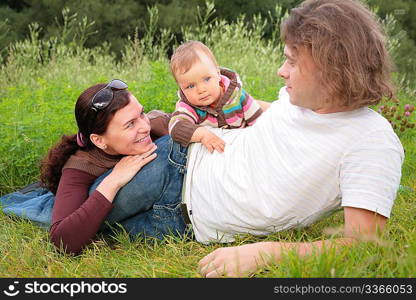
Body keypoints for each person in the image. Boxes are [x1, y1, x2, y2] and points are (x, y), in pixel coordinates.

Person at [89, 0, 402, 277]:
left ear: (332, 69)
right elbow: (269, 117)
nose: (281, 71)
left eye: (292, 61)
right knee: (68, 215)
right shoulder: (300, 99)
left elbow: (363, 245)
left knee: (94, 233)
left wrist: (264, 253)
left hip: (185, 224)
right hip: (179, 161)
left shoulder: (371, 142)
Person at [39, 79, 176, 254]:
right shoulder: (81, 167)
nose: (144, 126)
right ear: (99, 140)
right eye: (130, 124)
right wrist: (114, 180)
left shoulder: (158, 124)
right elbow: (62, 241)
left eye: (141, 114)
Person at [168, 41, 263, 153]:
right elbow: (176, 126)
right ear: (181, 88)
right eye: (190, 86)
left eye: (207, 79)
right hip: (213, 156)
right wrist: (202, 135)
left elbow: (260, 121)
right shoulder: (189, 106)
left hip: (242, 147)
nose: (201, 90)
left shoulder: (237, 96)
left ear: (218, 74)